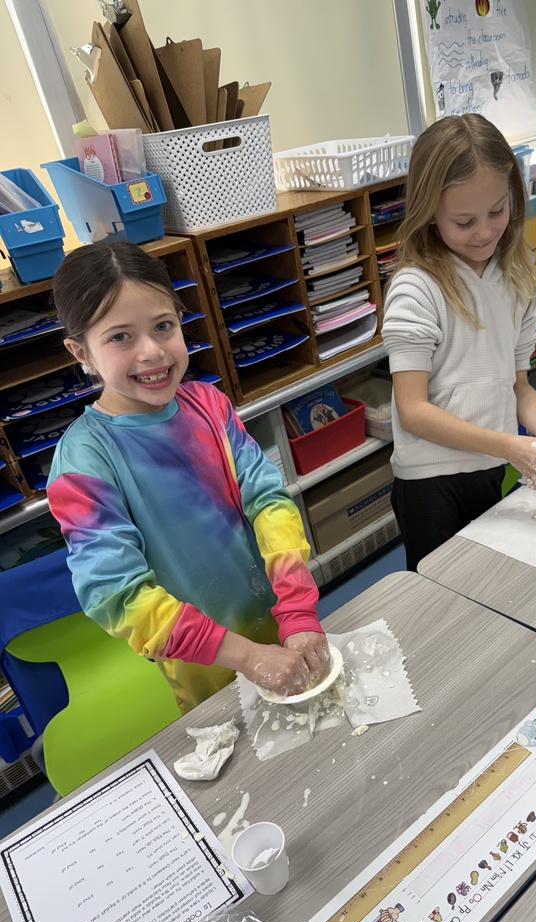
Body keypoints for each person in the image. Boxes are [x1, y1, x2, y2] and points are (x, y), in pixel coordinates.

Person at [47, 241, 328, 713]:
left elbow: (269, 501)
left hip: (281, 622)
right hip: (206, 665)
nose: (153, 352)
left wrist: (297, 611)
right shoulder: (84, 461)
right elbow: (118, 596)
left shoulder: (210, 405)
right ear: (81, 352)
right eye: (121, 337)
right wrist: (246, 657)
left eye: (163, 326)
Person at [382, 113, 536, 571]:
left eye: (497, 212)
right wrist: (507, 445)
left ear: (513, 200)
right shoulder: (416, 289)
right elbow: (413, 410)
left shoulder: (517, 279)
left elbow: (517, 386)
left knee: (492, 579)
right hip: (430, 483)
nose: (484, 232)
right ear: (429, 213)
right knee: (442, 592)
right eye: (463, 221)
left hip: (491, 468)